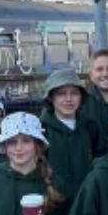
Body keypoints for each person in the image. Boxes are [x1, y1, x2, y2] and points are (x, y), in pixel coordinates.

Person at [39, 68, 99, 201]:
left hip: (87, 199)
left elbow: (99, 160)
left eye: (74, 93)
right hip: (54, 201)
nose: (68, 99)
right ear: (51, 98)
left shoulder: (90, 127)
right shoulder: (41, 129)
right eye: (61, 94)